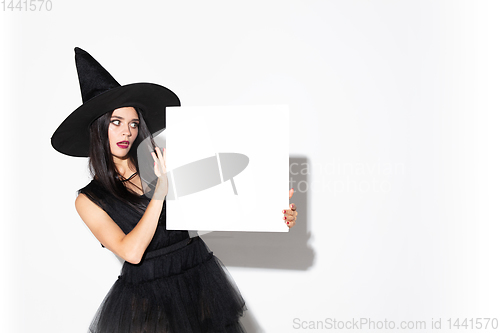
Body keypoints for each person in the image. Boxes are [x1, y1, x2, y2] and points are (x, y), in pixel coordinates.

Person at [51, 47, 298, 333]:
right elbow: (131, 251)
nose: (127, 132)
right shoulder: (88, 199)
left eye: (133, 124)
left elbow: (221, 205)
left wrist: (273, 212)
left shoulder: (164, 162)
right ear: (99, 129)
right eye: (116, 122)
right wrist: (159, 192)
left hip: (198, 278)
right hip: (149, 298)